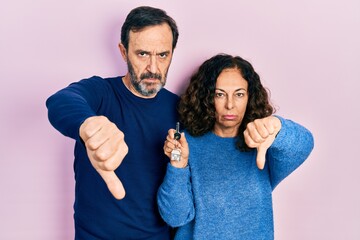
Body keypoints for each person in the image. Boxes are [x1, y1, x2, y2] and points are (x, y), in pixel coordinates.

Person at [46, 6, 180, 239]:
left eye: (162, 55)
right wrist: (87, 125)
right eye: (142, 54)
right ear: (123, 51)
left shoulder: (179, 109)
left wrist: (178, 158)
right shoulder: (100, 93)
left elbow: (182, 179)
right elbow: (60, 101)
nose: (153, 68)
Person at [157, 53, 314, 239]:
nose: (230, 105)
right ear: (206, 97)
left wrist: (278, 126)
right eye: (219, 94)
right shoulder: (186, 144)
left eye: (239, 94)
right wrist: (178, 163)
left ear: (249, 97)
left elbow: (305, 143)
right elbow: (175, 217)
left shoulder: (263, 143)